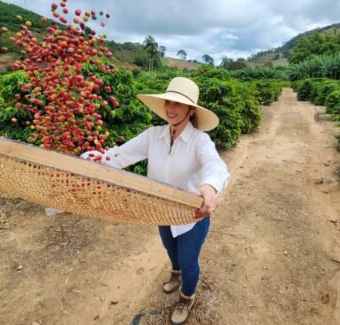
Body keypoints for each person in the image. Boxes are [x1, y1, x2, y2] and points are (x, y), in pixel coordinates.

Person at [81, 77, 229, 324]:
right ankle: (175, 274)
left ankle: (186, 297)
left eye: (179, 104)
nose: (171, 108)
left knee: (189, 259)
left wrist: (210, 185)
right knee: (171, 251)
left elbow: (215, 164)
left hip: (192, 216)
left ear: (191, 110)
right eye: (168, 102)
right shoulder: (154, 135)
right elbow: (119, 155)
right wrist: (96, 160)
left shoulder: (199, 140)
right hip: (160, 210)